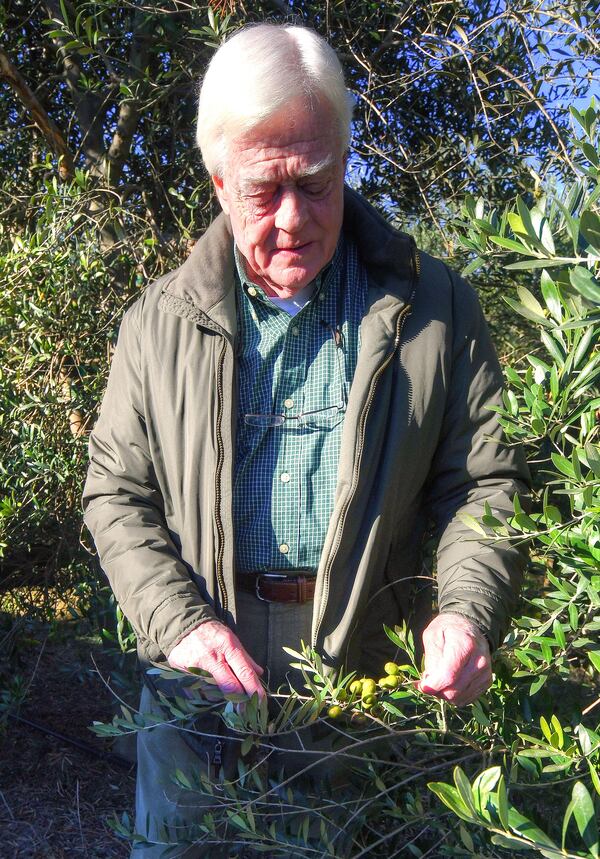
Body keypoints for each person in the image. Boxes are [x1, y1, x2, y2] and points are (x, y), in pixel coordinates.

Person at [82, 22, 530, 858]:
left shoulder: (436, 307)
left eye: (317, 183)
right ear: (219, 181)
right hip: (197, 665)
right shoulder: (156, 323)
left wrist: (467, 612)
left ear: (346, 160)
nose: (294, 218)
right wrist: (179, 622)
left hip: (363, 664)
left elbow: (481, 485)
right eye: (264, 189)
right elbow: (115, 492)